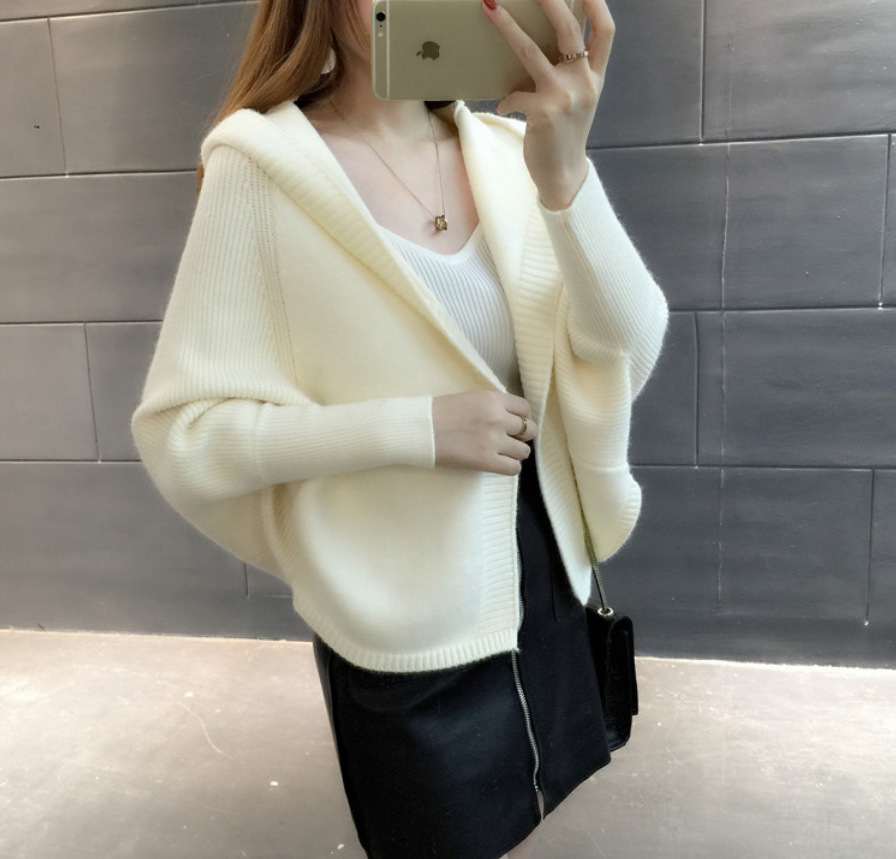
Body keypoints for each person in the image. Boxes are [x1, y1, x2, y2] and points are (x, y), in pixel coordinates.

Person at [131, 0, 668, 856]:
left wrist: (567, 178)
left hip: (543, 580)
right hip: (401, 624)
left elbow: (627, 350)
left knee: (536, 809)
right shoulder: (262, 167)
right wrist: (412, 428)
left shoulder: (513, 152)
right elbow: (185, 431)